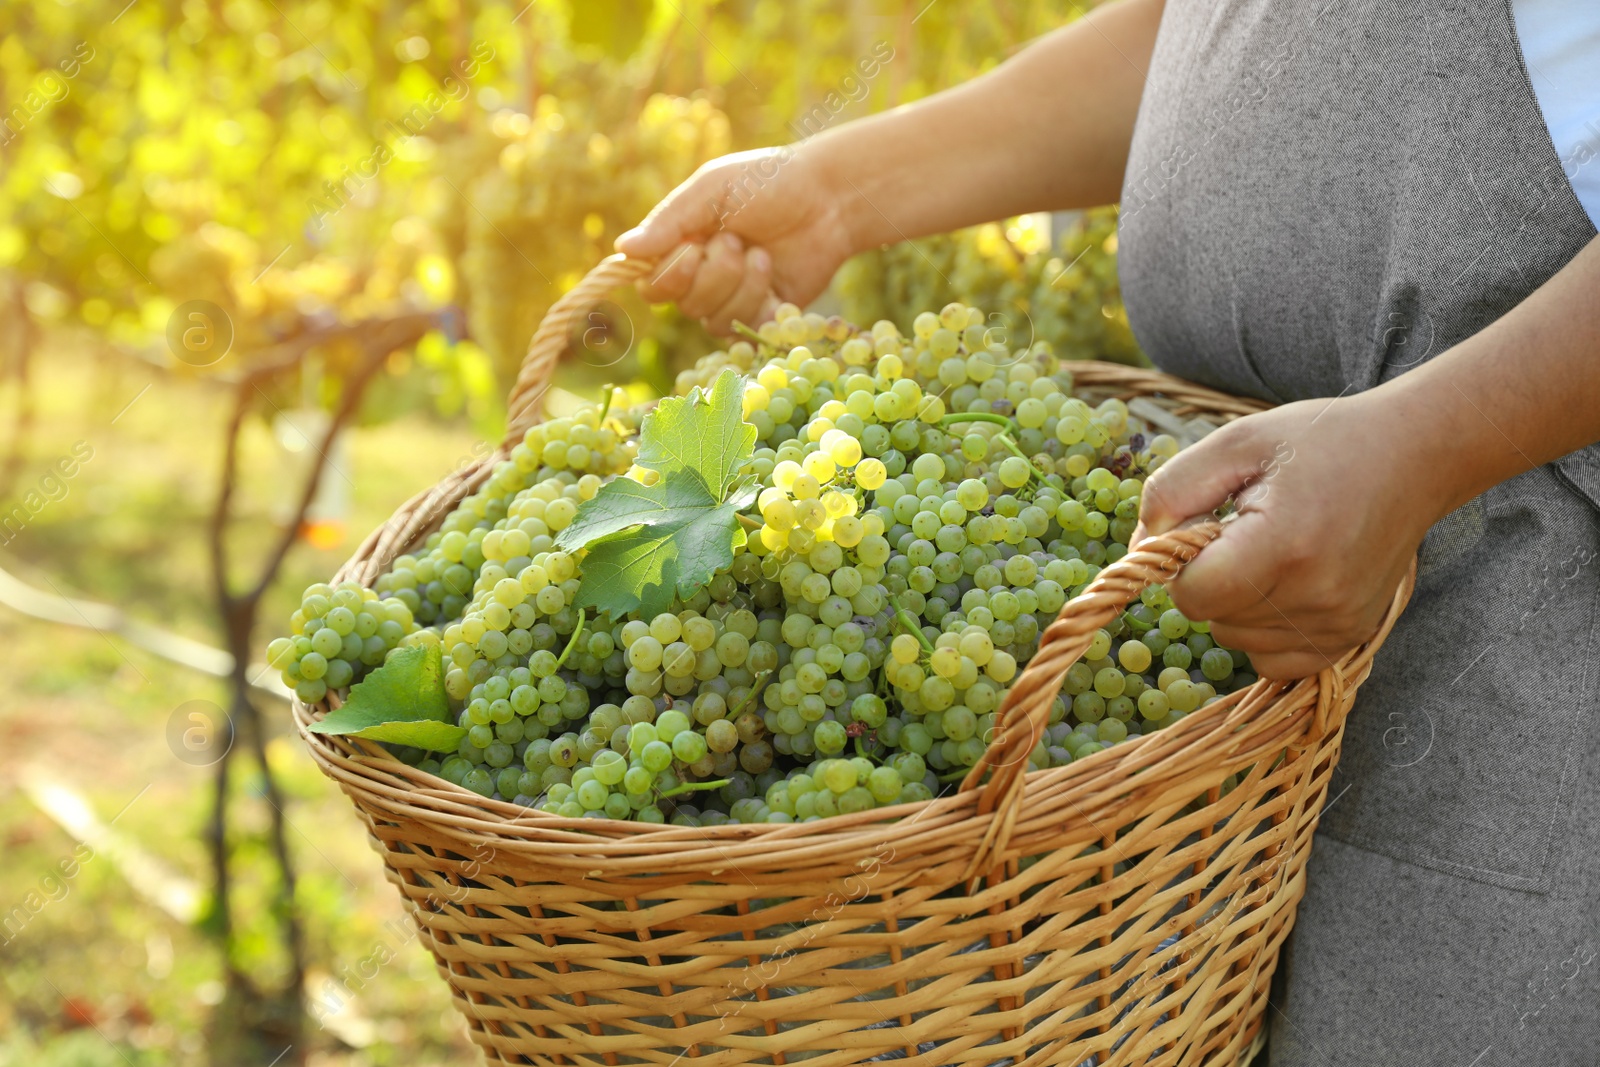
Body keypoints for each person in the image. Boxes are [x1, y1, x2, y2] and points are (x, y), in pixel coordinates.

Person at [615, 0, 1600, 1062]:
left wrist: (1424, 443)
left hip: (1513, 665)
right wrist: (836, 189)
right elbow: (1210, 39)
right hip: (1201, 688)